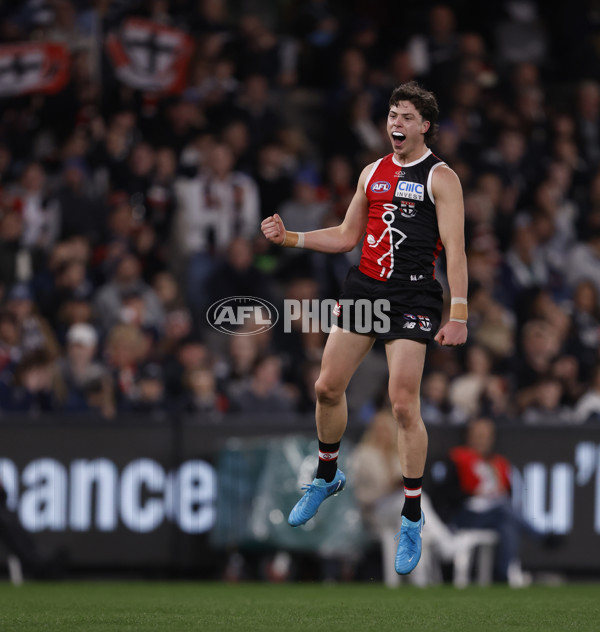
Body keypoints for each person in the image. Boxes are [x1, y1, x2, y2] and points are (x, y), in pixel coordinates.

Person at [261, 81, 468, 576]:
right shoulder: (371, 172)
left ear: (425, 126)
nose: (396, 124)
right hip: (365, 290)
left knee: (401, 401)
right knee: (327, 386)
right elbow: (347, 236)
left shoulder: (441, 178)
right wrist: (291, 237)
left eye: (406, 117)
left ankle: (412, 515)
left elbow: (457, 251)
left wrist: (458, 313)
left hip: (414, 297)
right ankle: (327, 475)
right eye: (392, 115)